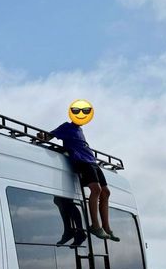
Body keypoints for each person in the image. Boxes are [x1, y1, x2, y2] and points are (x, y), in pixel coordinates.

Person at [37, 102, 119, 241]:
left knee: (106, 192)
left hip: (92, 161)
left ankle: (106, 227)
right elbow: (49, 136)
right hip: (82, 161)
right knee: (96, 190)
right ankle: (95, 226)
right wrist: (42, 136)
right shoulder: (66, 127)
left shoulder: (80, 130)